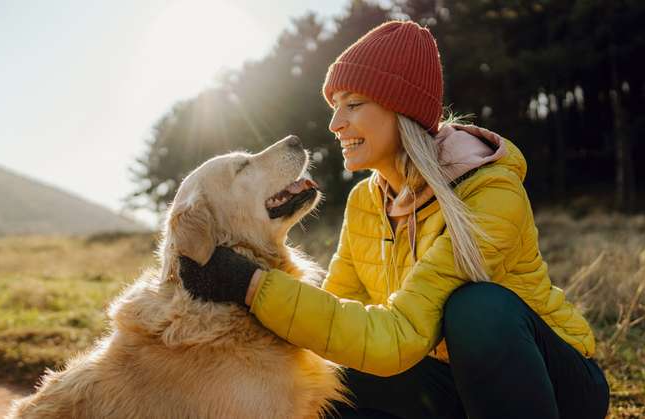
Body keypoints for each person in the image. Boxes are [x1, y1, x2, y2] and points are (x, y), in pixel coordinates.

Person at [178, 20, 610, 419]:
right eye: (334, 106)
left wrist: (252, 285)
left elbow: (397, 337)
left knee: (477, 309)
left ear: (398, 109)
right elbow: (334, 319)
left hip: (551, 384)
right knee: (328, 379)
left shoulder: (489, 191)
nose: (334, 123)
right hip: (452, 384)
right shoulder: (364, 201)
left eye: (353, 104)